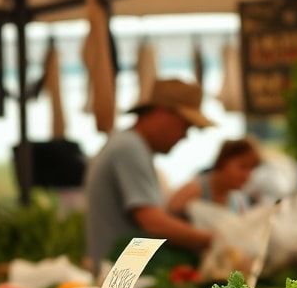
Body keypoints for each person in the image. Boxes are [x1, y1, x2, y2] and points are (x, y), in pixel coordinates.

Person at [84, 78, 216, 268]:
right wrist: (212, 239)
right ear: (162, 113)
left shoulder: (126, 143)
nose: (185, 136)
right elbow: (153, 222)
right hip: (122, 281)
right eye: (185, 126)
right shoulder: (130, 148)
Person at [167, 137, 262, 218]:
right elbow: (165, 221)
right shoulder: (195, 189)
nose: (247, 176)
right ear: (223, 161)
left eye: (251, 170)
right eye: (243, 167)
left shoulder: (238, 201)